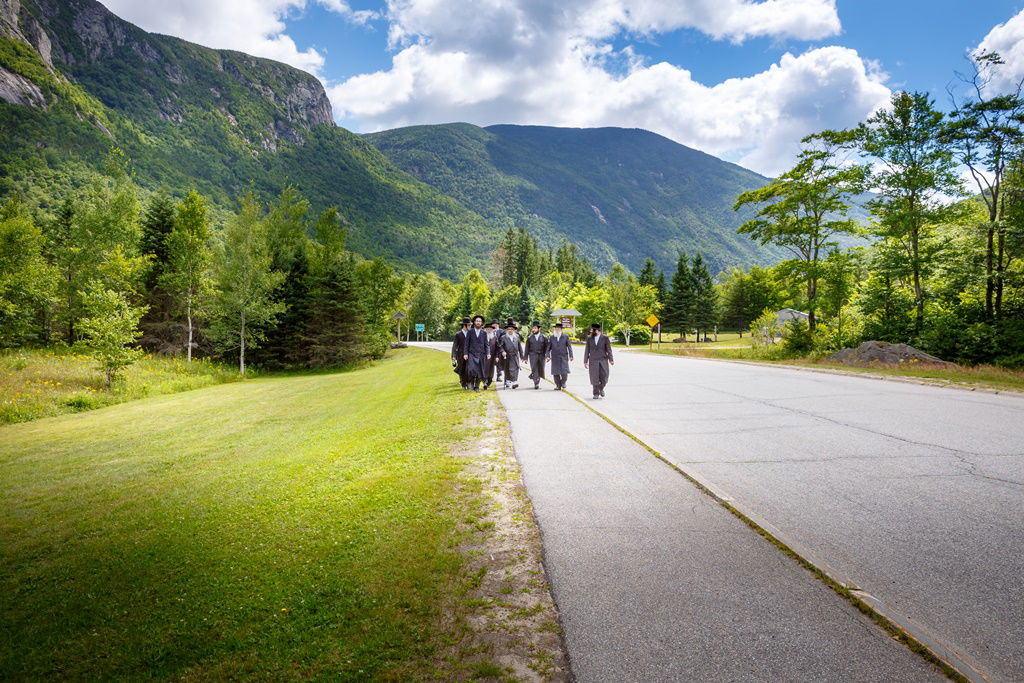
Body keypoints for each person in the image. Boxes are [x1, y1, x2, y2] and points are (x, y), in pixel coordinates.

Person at [583, 322, 614, 399]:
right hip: (593, 361)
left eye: (592, 330)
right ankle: (595, 393)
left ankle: (601, 388)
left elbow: (609, 349)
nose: (591, 331)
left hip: (603, 360)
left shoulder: (605, 338)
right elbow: (587, 350)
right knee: (594, 378)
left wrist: (611, 359)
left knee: (605, 376)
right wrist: (585, 361)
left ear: (596, 330)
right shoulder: (589, 338)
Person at [463, 315, 491, 392]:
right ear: (474, 322)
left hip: (481, 354)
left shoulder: (484, 333)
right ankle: (470, 382)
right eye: (477, 321)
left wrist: (488, 353)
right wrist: (465, 353)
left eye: (480, 321)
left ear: (481, 323)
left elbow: (487, 344)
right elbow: (466, 344)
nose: (478, 322)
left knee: (480, 371)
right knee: (472, 370)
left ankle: (476, 386)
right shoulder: (470, 332)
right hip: (471, 353)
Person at [546, 321, 573, 390]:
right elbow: (548, 348)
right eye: (556, 328)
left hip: (563, 356)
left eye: (559, 328)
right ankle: (558, 385)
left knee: (564, 371)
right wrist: (548, 356)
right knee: (556, 372)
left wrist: (571, 355)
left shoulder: (565, 336)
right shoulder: (552, 337)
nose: (557, 330)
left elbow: (569, 346)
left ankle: (563, 382)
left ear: (561, 329)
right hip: (555, 357)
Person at [498, 320, 524, 389]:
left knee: (515, 368)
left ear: (514, 330)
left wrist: (522, 356)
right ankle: (508, 380)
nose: (510, 330)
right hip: (507, 356)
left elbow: (519, 347)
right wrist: (503, 351)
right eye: (508, 329)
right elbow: (500, 346)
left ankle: (515, 381)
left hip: (515, 356)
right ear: (506, 330)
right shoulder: (503, 337)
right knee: (508, 369)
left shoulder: (517, 337)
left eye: (511, 329)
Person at [525, 320, 547, 389]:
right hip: (532, 356)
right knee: (534, 369)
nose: (533, 329)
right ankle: (536, 383)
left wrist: (547, 356)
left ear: (539, 329)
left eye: (535, 328)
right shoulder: (529, 338)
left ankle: (536, 378)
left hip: (541, 356)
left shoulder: (544, 337)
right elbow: (526, 348)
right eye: (533, 328)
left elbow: (547, 347)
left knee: (540, 369)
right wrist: (525, 358)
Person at [451, 316, 471, 389]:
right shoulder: (458, 334)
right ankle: (463, 384)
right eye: (468, 325)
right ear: (464, 325)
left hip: (469, 354)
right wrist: (454, 356)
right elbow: (455, 346)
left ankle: (469, 382)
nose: (469, 326)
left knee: (469, 369)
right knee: (462, 369)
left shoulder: (471, 333)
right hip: (460, 355)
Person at [484, 320, 500, 389]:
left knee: (491, 371)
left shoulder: (494, 338)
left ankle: (489, 382)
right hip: (484, 357)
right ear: (485, 330)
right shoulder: (483, 337)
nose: (489, 331)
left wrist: (497, 356)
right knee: (484, 370)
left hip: (492, 357)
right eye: (487, 329)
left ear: (492, 330)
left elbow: (497, 348)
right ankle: (484, 382)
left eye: (490, 329)